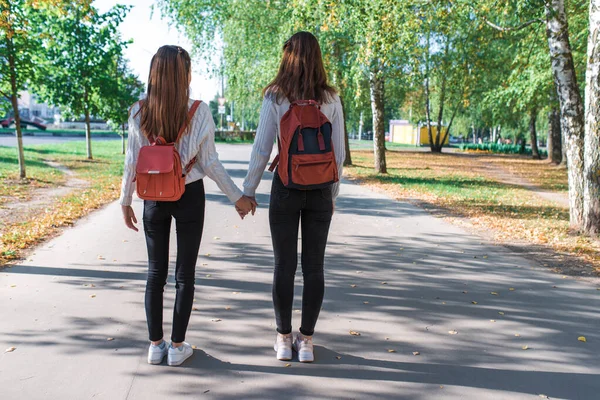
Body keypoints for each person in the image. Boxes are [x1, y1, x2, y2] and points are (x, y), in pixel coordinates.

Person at [119, 45, 256, 367]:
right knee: (185, 274)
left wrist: (126, 200)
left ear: (154, 73)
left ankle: (156, 345)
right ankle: (177, 346)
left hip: (152, 196)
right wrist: (237, 197)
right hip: (189, 194)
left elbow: (131, 161)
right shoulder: (199, 110)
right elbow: (210, 163)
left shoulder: (138, 111)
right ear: (185, 75)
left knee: (155, 273)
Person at [243, 32, 345, 363]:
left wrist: (248, 191)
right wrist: (331, 194)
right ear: (317, 58)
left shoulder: (276, 96)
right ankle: (308, 342)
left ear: (287, 57)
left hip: (286, 189)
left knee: (284, 265)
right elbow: (338, 155)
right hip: (318, 191)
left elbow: (261, 149)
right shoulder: (330, 98)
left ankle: (284, 340)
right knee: (314, 266)